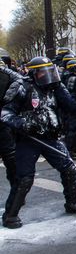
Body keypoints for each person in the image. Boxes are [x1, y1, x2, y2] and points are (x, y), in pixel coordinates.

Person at [1, 57, 76, 229]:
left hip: (50, 137)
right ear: (34, 73)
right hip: (28, 140)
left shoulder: (53, 88)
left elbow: (69, 104)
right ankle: (10, 216)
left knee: (69, 168)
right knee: (24, 179)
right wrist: (22, 124)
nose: (48, 75)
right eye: (43, 72)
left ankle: (72, 203)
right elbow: (5, 113)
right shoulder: (21, 87)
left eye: (50, 71)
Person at [0, 59, 24, 218]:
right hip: (3, 123)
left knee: (11, 159)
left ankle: (17, 197)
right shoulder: (7, 76)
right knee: (11, 159)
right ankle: (17, 197)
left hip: (3, 124)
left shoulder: (6, 76)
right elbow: (18, 79)